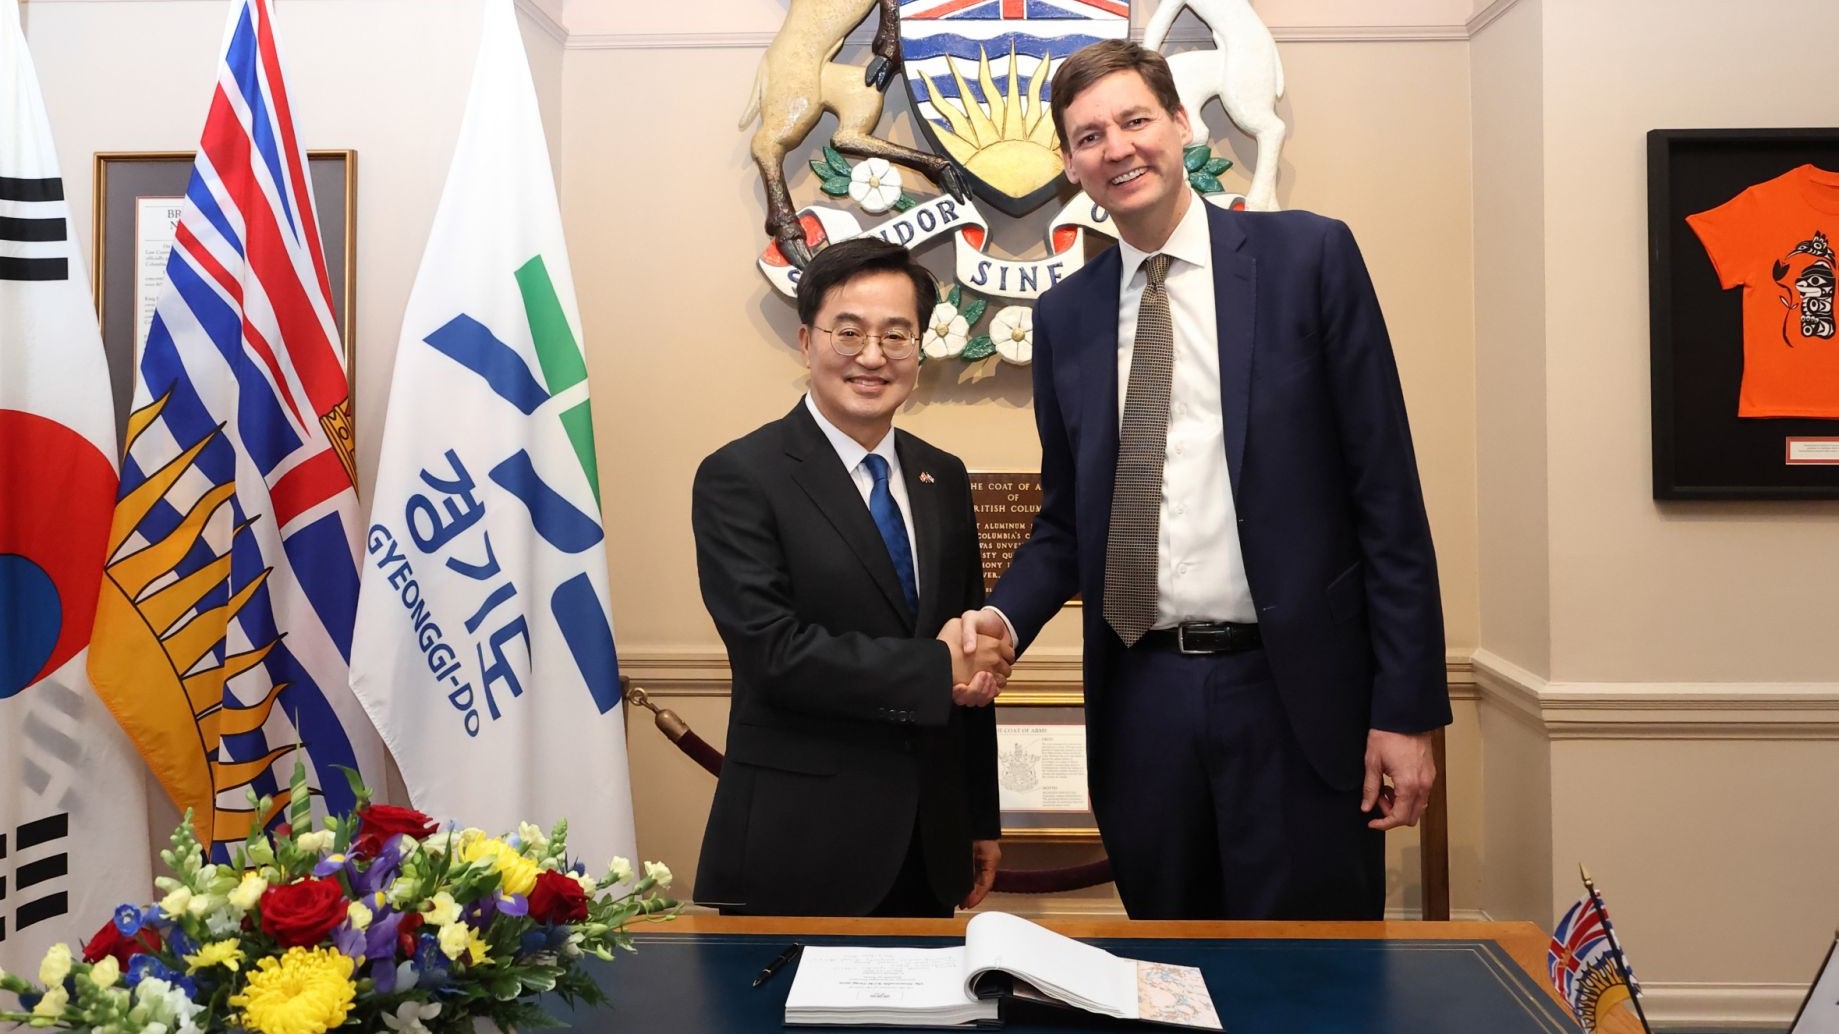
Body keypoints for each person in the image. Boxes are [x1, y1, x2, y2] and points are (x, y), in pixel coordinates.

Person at [960, 39, 1450, 920]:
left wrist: (1406, 709)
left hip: (1294, 691)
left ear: (1181, 124)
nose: (1117, 147)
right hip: (1142, 697)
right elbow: (1068, 525)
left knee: (1312, 983)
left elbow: (1387, 497)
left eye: (1134, 120)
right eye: (1088, 136)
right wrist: (998, 619)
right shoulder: (1067, 317)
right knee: (1168, 971)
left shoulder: (1308, 258)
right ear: (1071, 166)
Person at [692, 237, 1011, 917]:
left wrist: (979, 816)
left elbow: (967, 654)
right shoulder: (741, 476)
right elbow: (771, 653)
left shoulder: (941, 475)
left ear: (920, 348)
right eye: (849, 332)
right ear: (807, 342)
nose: (872, 356)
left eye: (897, 335)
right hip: (798, 844)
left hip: (929, 844)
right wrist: (933, 668)